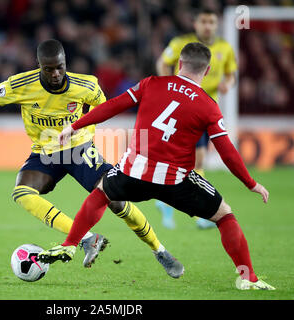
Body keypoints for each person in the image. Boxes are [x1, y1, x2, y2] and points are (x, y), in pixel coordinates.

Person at [39, 42, 275, 290]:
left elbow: (114, 105)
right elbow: (227, 151)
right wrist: (251, 183)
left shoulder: (152, 83)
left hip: (133, 173)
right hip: (174, 182)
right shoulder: (208, 106)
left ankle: (69, 244)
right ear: (206, 72)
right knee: (224, 215)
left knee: (102, 192)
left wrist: (74, 126)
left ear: (179, 64)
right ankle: (248, 279)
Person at [0, 39, 167, 268]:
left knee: (117, 201)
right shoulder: (22, 84)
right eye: (48, 69)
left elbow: (101, 105)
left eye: (59, 67)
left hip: (79, 149)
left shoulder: (86, 85)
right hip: (45, 151)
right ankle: (86, 238)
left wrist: (88, 131)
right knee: (22, 192)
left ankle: (159, 249)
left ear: (65, 63)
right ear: (39, 66)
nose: (55, 73)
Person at [155, 8, 237, 229]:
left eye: (211, 21)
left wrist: (227, 85)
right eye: (204, 21)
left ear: (216, 24)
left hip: (207, 110)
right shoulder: (181, 43)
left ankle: (168, 204)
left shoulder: (225, 48)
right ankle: (199, 212)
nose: (208, 26)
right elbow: (163, 62)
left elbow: (231, 74)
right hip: (185, 108)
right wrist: (169, 87)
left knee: (191, 160)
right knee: (195, 159)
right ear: (196, 24)